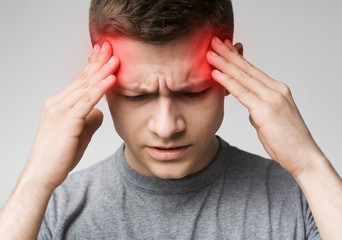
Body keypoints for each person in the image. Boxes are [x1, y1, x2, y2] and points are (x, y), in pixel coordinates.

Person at [0, 0, 341, 239]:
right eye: (138, 96)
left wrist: (310, 165)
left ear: (233, 72)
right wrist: (35, 181)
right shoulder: (51, 209)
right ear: (96, 78)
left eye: (192, 92)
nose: (166, 127)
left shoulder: (303, 197)